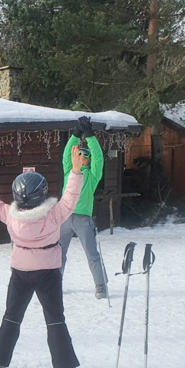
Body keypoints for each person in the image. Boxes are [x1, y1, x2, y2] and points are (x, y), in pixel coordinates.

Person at [0, 146, 86, 368]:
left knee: (11, 317)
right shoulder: (54, 215)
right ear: (42, 194)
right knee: (55, 320)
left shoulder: (9, 215)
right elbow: (71, 197)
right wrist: (75, 170)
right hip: (48, 273)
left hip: (20, 273)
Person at [60, 116, 108, 299]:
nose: (83, 157)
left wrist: (89, 135)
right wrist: (75, 134)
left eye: (86, 155)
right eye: (79, 154)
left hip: (83, 219)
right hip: (63, 217)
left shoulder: (92, 175)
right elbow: (66, 154)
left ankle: (101, 286)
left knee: (92, 254)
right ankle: (55, 285)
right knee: (58, 254)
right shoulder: (68, 171)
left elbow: (98, 157)